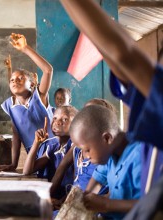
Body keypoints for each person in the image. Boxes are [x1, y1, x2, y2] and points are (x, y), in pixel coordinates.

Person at [59, 0, 163, 218]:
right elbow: (117, 55)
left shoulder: (136, 149)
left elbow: (123, 53)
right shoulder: (142, 126)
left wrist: (106, 205)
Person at [70, 105, 141, 219]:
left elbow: (150, 204)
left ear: (107, 138)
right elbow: (98, 179)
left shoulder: (139, 156)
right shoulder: (110, 154)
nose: (86, 156)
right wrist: (84, 199)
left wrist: (106, 204)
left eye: (87, 150)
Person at [0, 33, 55, 172]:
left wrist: (25, 49)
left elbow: (48, 70)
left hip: (53, 147)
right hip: (33, 153)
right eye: (12, 80)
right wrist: (13, 164)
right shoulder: (10, 105)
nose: (15, 81)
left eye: (20, 79)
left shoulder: (39, 96)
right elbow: (16, 136)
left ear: (32, 84)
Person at [49, 99, 114, 209]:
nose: (87, 156)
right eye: (84, 113)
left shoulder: (106, 155)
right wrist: (62, 202)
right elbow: (77, 184)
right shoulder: (77, 145)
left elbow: (109, 196)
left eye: (93, 114)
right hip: (77, 204)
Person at [23, 105, 77, 200]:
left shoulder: (76, 147)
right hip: (53, 196)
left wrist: (47, 198)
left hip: (67, 198)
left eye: (65, 119)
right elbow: (27, 171)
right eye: (55, 118)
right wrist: (36, 143)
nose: (57, 122)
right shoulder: (53, 146)